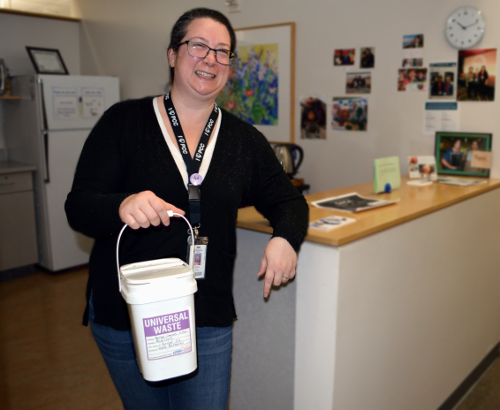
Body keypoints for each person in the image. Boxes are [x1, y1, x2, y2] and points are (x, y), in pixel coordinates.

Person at [65, 7, 308, 410]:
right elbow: (79, 207)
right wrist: (122, 204)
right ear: (173, 55)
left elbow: (289, 202)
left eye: (223, 51)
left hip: (204, 313)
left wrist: (285, 238)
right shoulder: (124, 122)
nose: (211, 59)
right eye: (198, 46)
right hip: (127, 311)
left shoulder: (244, 141)